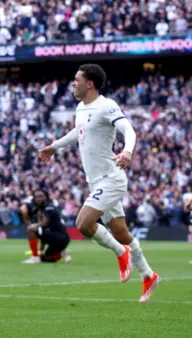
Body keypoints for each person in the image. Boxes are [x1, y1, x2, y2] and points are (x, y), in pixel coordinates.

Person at [39, 64, 159, 302]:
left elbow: (129, 130)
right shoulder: (81, 108)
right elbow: (78, 132)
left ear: (89, 83)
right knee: (121, 232)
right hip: (95, 181)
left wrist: (127, 150)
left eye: (77, 80)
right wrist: (54, 146)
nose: (73, 83)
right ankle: (148, 274)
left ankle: (120, 252)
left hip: (111, 178)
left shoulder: (107, 106)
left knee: (83, 223)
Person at [21, 190, 71, 264]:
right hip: (60, 237)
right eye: (36, 197)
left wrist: (32, 225)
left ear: (46, 197)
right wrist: (41, 250)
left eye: (41, 196)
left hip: (59, 237)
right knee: (45, 259)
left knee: (31, 229)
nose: (38, 198)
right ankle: (61, 252)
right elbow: (43, 232)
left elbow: (44, 224)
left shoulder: (48, 208)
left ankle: (35, 257)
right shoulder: (44, 207)